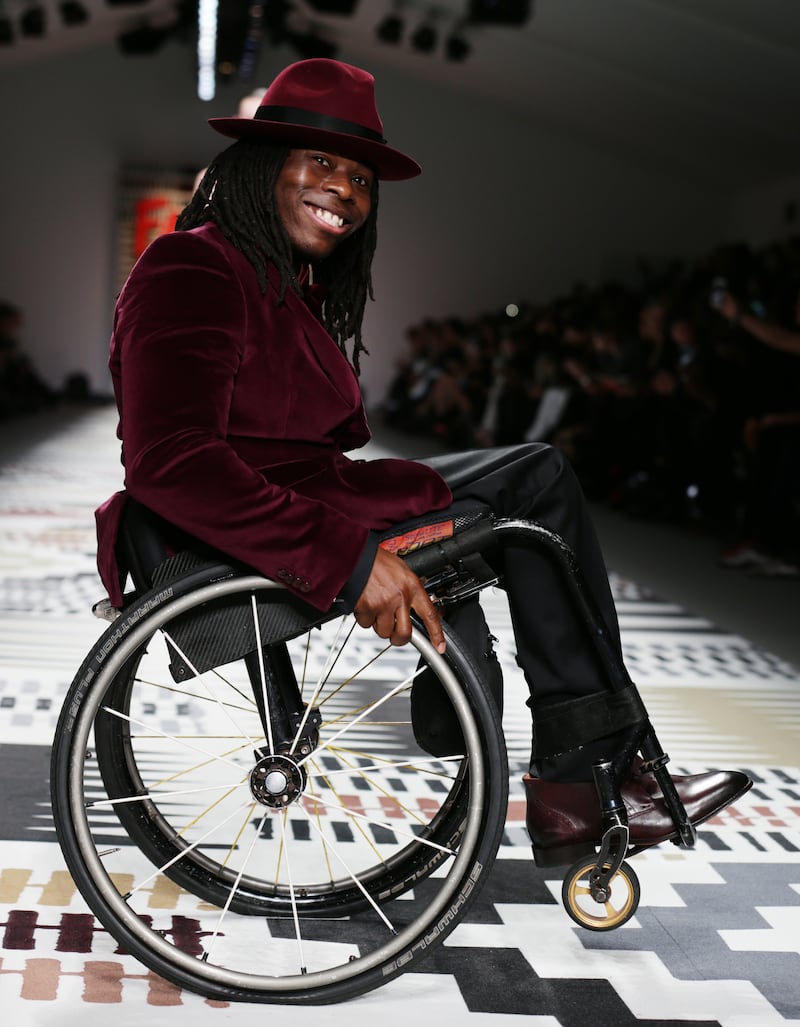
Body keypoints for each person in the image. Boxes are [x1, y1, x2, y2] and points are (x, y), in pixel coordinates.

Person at [95, 59, 750, 870]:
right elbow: (173, 460)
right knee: (536, 485)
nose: (346, 191)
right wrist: (346, 557)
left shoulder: (269, 279)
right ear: (264, 164)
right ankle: (585, 781)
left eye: (361, 179)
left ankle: (588, 773)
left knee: (537, 477)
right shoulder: (191, 268)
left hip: (311, 495)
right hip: (256, 526)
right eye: (322, 163)